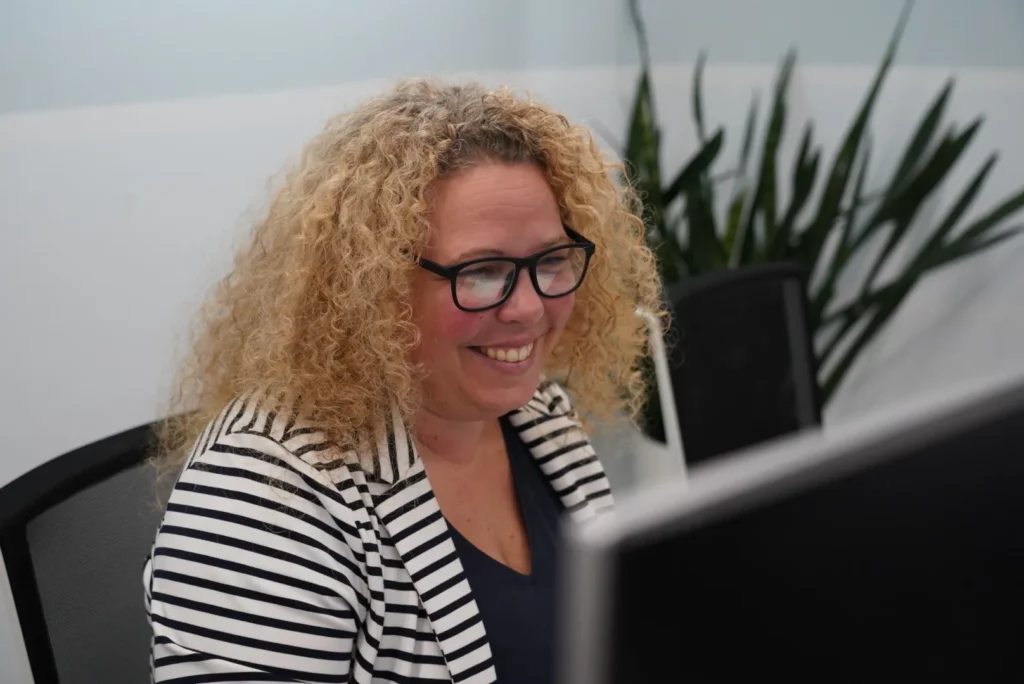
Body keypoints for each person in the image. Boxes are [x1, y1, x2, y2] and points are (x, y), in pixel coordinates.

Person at [145, 79, 663, 683]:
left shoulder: (539, 414)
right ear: (371, 285)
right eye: (482, 271)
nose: (528, 308)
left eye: (550, 261)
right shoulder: (262, 499)